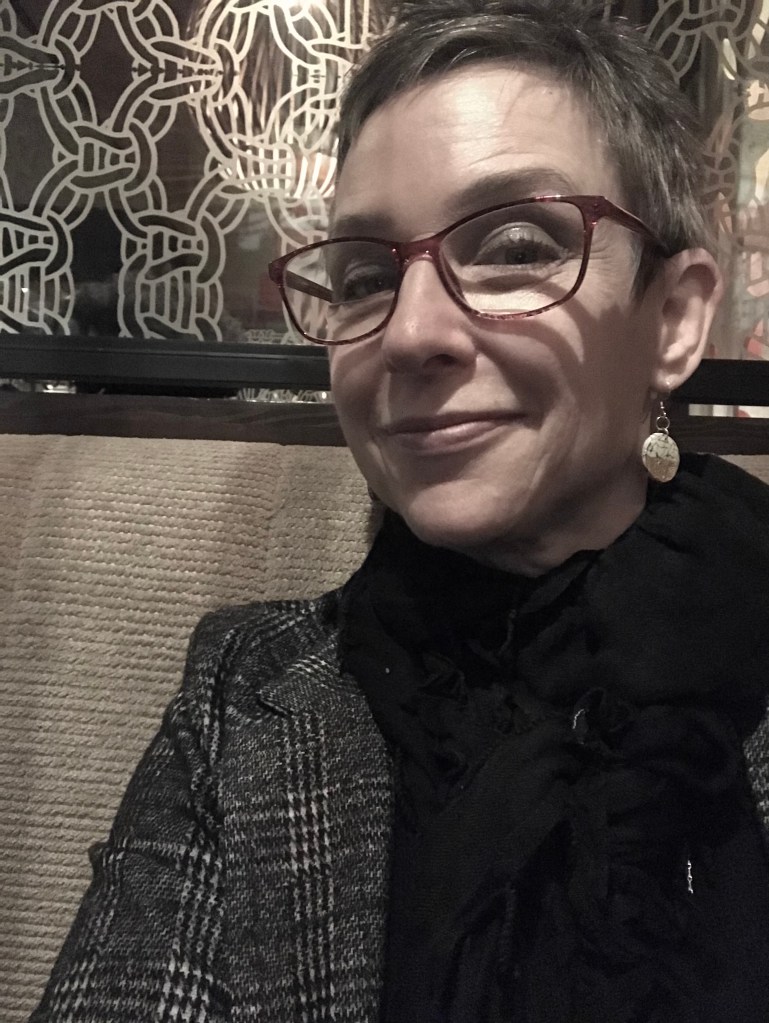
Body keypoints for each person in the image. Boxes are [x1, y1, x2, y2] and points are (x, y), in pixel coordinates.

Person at [31, 1, 769, 1021]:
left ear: (674, 319)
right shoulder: (246, 691)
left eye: (515, 245)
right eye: (364, 277)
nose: (410, 333)